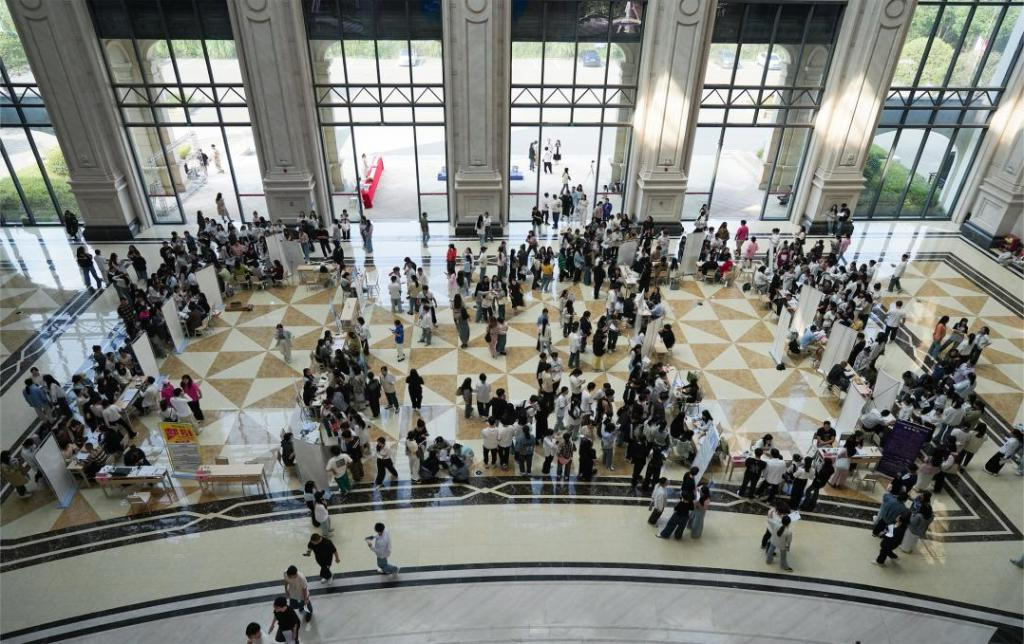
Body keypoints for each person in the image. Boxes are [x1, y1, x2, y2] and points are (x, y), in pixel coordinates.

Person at [657, 467, 698, 540]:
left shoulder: (687, 474)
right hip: (685, 515)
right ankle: (678, 536)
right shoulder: (691, 500)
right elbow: (692, 507)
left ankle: (665, 534)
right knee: (681, 527)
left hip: (678, 513)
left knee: (671, 523)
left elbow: (676, 508)